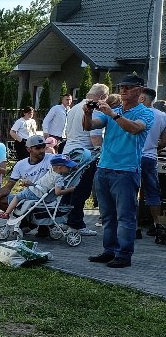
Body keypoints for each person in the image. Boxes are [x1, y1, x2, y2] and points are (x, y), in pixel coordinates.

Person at [84, 74, 155, 268]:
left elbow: (135, 128)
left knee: (125, 216)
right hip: (104, 168)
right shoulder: (114, 110)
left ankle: (124, 255)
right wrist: (87, 113)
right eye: (121, 87)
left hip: (126, 170)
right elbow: (89, 126)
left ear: (140, 91)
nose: (123, 90)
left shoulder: (145, 113)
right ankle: (110, 251)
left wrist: (113, 115)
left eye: (128, 87)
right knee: (107, 216)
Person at [62, 83, 108, 235]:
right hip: (84, 155)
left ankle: (63, 219)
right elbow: (95, 137)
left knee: (67, 188)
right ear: (102, 97)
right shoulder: (94, 110)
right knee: (81, 190)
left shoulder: (74, 108)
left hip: (69, 151)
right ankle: (76, 223)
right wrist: (103, 151)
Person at [0, 135, 53, 236]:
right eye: (38, 148)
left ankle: (42, 225)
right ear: (29, 149)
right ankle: (28, 222)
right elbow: (9, 185)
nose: (42, 150)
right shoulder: (20, 165)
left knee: (25, 199)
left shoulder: (51, 159)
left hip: (46, 196)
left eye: (44, 147)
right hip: (30, 196)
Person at [0, 155, 77, 219]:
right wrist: (71, 189)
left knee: (18, 196)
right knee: (19, 197)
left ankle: (7, 213)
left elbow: (57, 191)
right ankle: (9, 213)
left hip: (35, 191)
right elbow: (58, 192)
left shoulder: (52, 170)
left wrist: (70, 189)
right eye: (68, 167)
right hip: (36, 192)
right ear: (59, 167)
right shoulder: (58, 178)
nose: (70, 169)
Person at [137, 89, 166, 239]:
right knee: (153, 191)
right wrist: (154, 147)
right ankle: (157, 224)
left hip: (132, 157)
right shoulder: (162, 116)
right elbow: (164, 141)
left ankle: (133, 226)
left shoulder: (135, 112)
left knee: (131, 191)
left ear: (142, 98)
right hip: (150, 157)